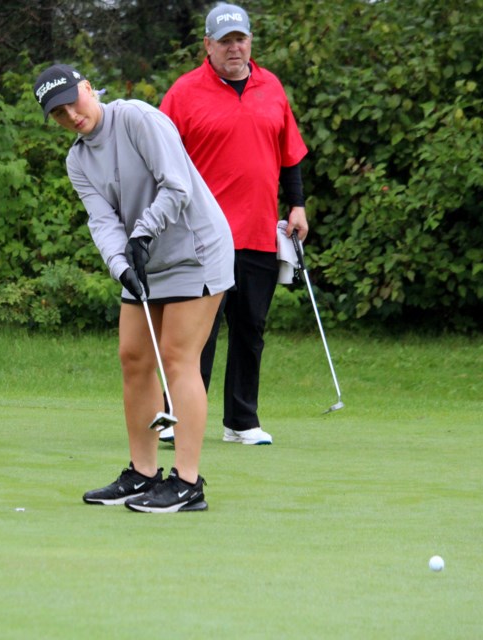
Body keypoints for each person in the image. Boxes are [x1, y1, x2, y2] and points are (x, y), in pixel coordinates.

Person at [34, 63, 234, 513]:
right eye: (59, 114)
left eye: (74, 101)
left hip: (196, 249)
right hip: (146, 259)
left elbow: (176, 186)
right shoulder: (78, 160)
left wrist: (141, 234)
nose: (71, 115)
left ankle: (187, 483)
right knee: (134, 356)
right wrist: (120, 264)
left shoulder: (136, 118)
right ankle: (143, 474)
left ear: (89, 88)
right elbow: (102, 222)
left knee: (178, 357)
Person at [160, 3, 309, 446]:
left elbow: (290, 154)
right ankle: (175, 418)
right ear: (207, 45)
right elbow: (160, 159)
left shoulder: (272, 87)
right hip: (200, 239)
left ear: (250, 42)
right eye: (225, 41)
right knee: (194, 335)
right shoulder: (184, 93)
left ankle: (241, 422)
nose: (234, 48)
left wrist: (296, 206)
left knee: (250, 330)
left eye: (240, 39)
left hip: (260, 234)